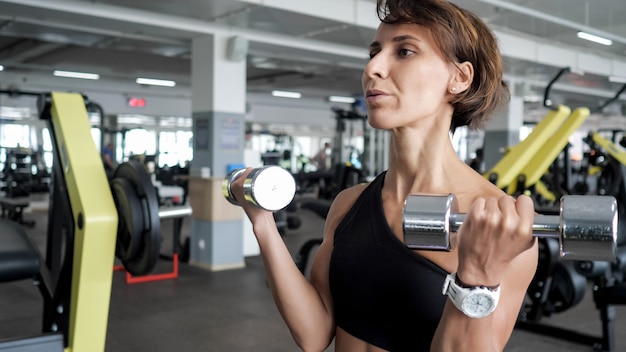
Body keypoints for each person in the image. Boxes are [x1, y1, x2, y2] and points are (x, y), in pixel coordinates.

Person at [229, 0, 538, 351]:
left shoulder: (499, 225)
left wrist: (477, 278)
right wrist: (262, 222)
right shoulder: (350, 203)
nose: (373, 67)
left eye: (404, 51)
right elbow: (315, 335)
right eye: (374, 52)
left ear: (459, 78)